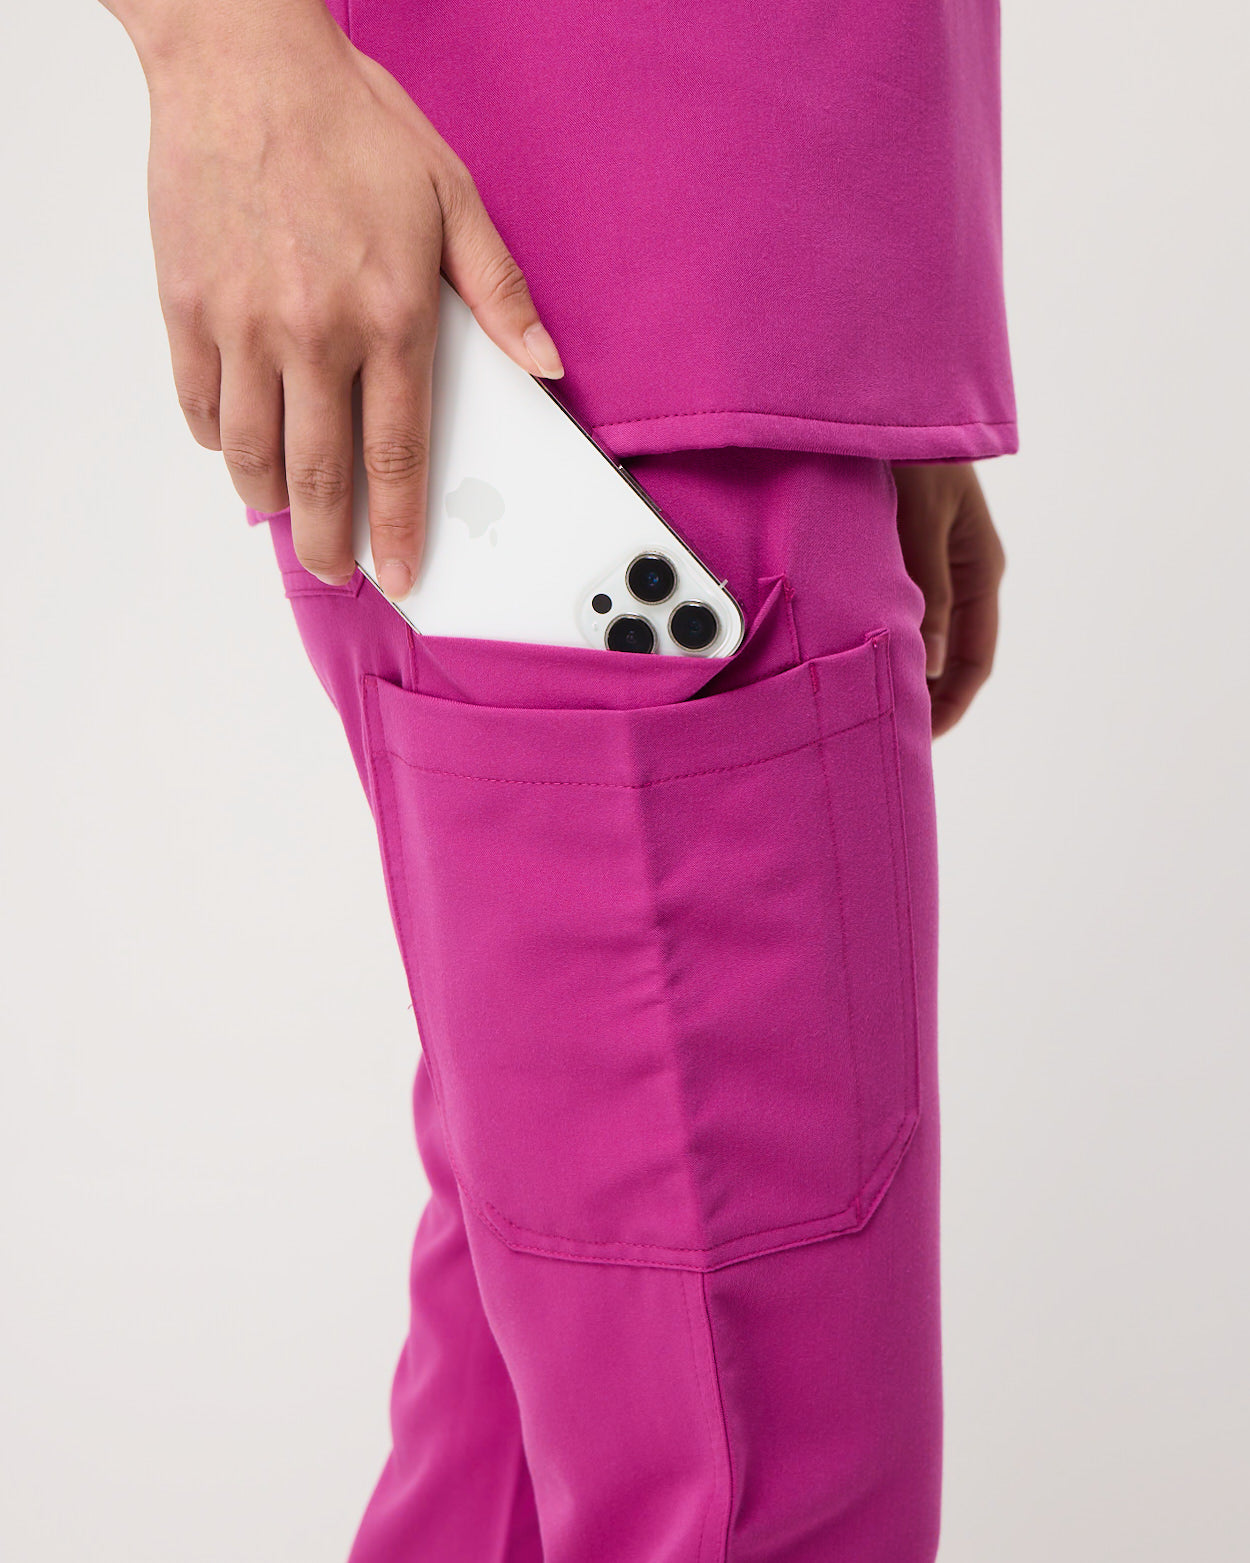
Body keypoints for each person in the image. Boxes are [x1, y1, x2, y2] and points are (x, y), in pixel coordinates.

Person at [100, 1, 1013, 1558]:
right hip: (571, 342)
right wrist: (228, 52)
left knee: (533, 1464)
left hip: (700, 311)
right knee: (748, 1486)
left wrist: (871, 326)